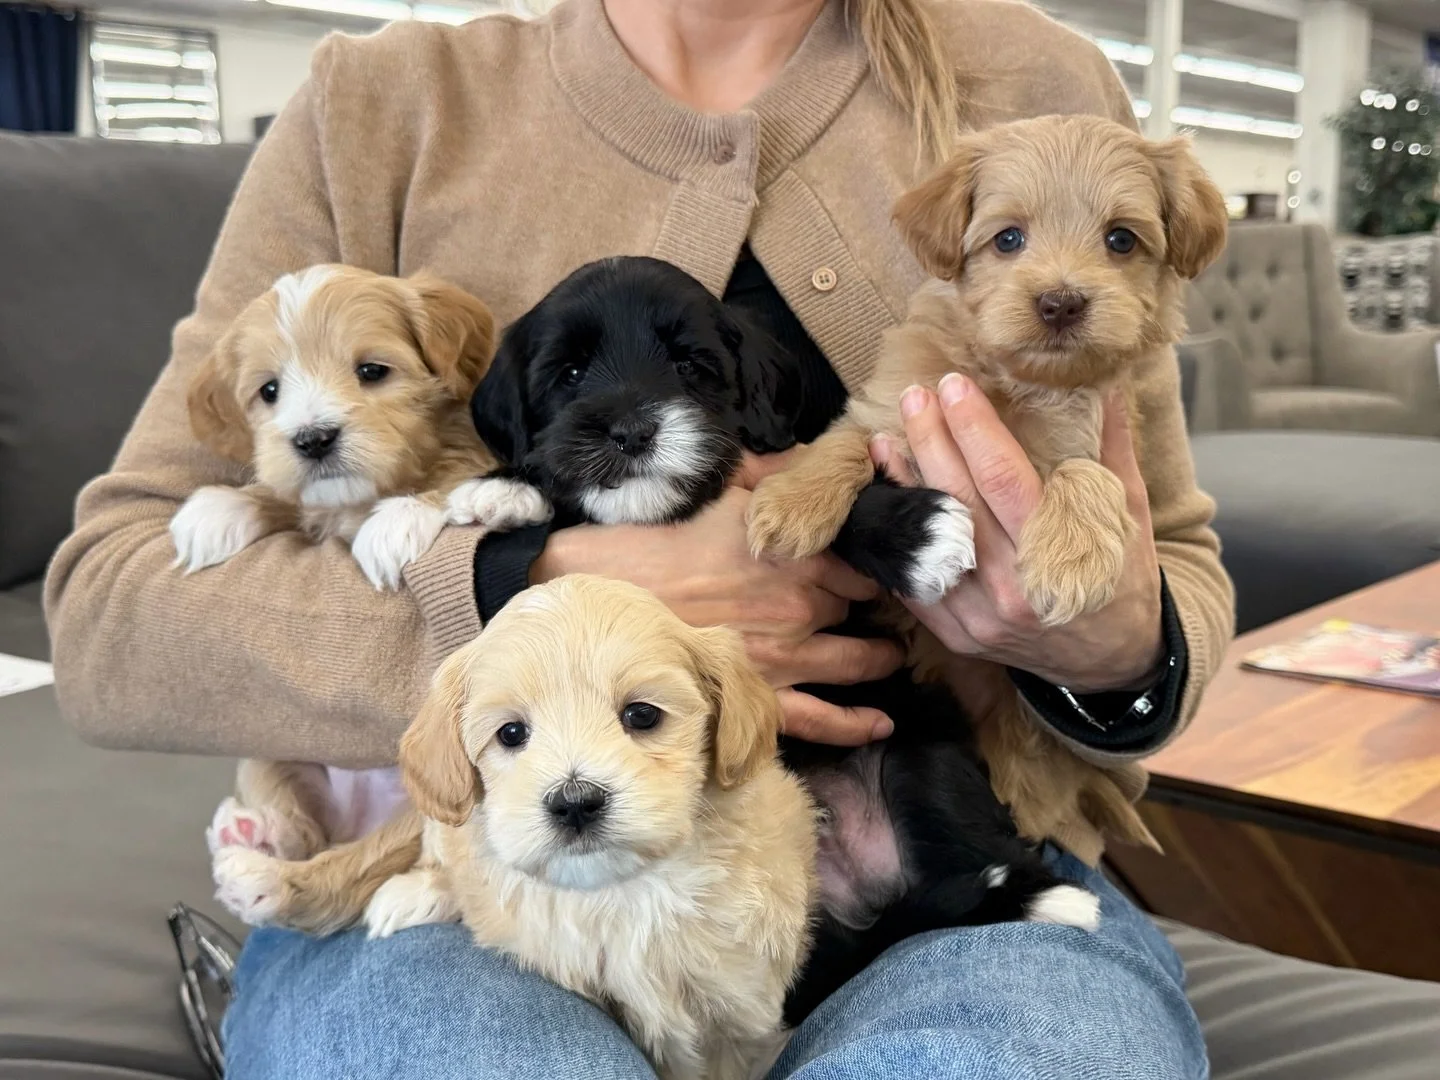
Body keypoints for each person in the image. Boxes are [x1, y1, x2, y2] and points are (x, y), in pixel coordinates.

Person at [38, 0, 1250, 1075]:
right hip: (485, 903)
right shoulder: (381, 101)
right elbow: (110, 610)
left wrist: (1111, 647)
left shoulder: (1039, 75)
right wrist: (528, 589)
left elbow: (1178, 576)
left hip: (939, 870)